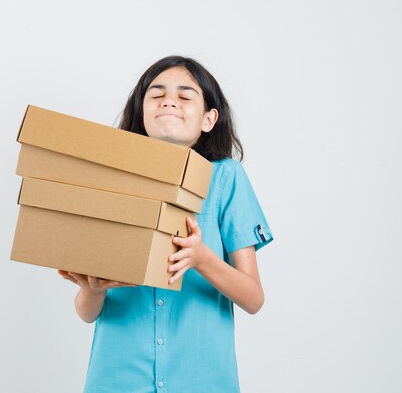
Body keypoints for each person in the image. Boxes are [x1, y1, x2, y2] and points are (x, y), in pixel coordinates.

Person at [58, 55, 274, 393]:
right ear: (142, 112)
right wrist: (91, 289)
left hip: (203, 381)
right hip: (118, 378)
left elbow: (253, 298)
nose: (168, 101)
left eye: (185, 96)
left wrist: (201, 257)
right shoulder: (111, 179)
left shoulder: (226, 179)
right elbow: (87, 313)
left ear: (208, 119)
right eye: (156, 95)